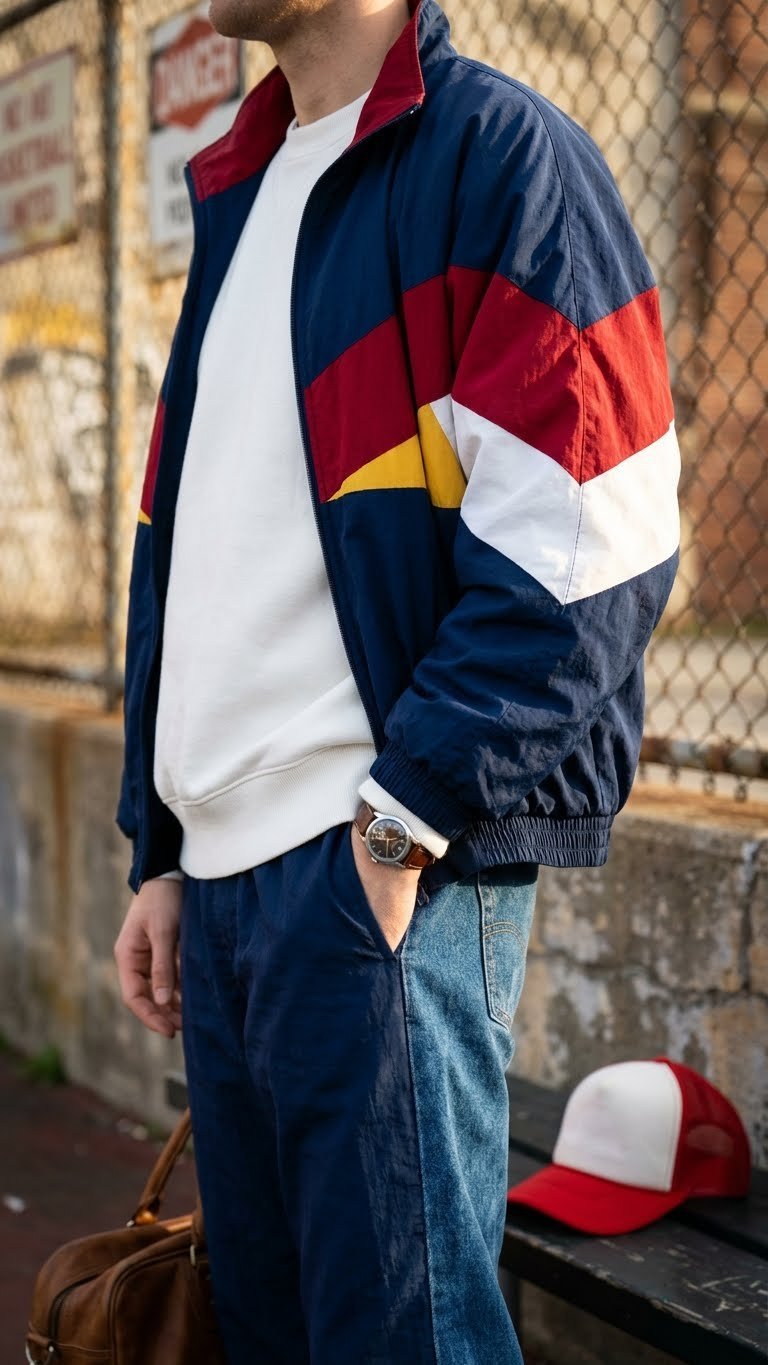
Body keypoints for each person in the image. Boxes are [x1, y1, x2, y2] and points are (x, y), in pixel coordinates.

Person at [113, 0, 680, 1358]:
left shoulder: (498, 160)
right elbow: (186, 554)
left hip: (371, 871)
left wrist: (403, 811)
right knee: (273, 1331)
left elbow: (595, 528)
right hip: (235, 889)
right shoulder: (243, 194)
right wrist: (165, 843)